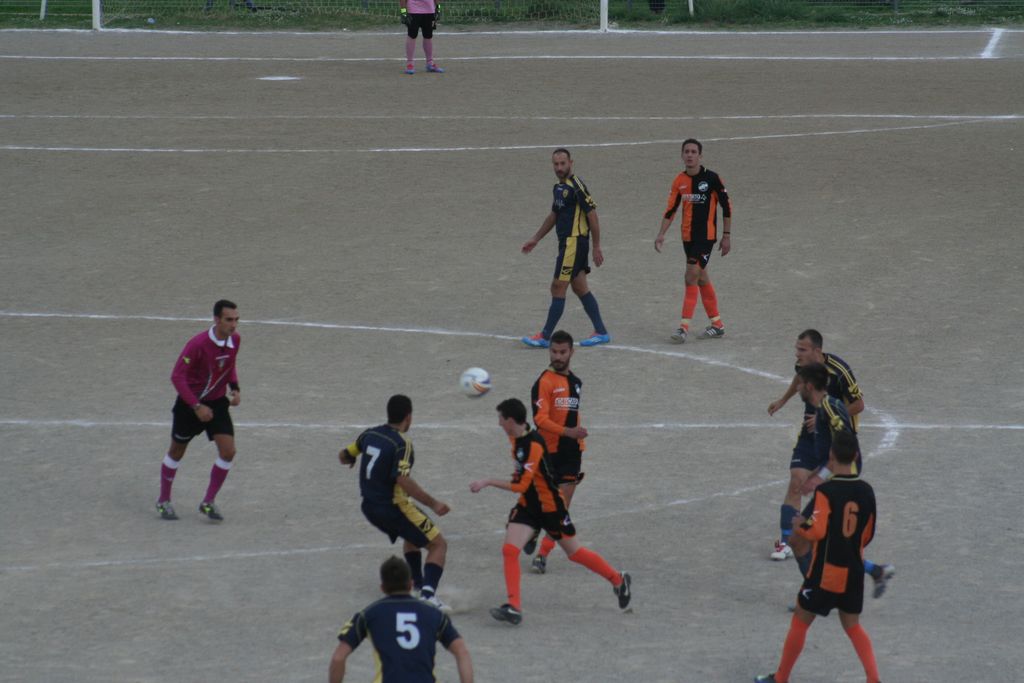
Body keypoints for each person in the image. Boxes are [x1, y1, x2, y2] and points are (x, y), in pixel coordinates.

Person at [469, 398, 631, 625]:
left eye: (500, 419)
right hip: (529, 505)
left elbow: (520, 486)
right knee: (509, 550)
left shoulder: (533, 445)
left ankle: (618, 580)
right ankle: (514, 607)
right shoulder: (516, 436)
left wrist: (487, 481)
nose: (498, 424)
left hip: (550, 507)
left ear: (511, 420)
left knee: (575, 553)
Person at [753, 431, 882, 683]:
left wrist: (801, 525)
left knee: (801, 620)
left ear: (831, 456)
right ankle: (873, 679)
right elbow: (868, 534)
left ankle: (780, 678)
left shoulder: (826, 491)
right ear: (856, 456)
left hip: (826, 572)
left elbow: (817, 530)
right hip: (854, 572)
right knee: (853, 626)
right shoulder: (867, 491)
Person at [339, 395, 452, 610]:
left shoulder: (369, 434)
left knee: (411, 535)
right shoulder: (402, 444)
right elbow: (403, 479)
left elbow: (343, 456)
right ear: (408, 417)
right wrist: (434, 503)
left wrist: (351, 458)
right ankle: (428, 596)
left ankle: (417, 585)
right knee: (438, 544)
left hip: (369, 507)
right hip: (394, 507)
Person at [792, 363, 894, 598]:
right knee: (827, 541)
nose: (797, 388)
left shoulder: (829, 408)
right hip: (834, 481)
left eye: (800, 384)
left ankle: (814, 593)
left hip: (839, 484)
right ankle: (876, 571)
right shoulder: (826, 408)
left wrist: (819, 478)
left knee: (800, 538)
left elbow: (845, 446)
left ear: (809, 386)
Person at [766, 329, 863, 562]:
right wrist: (783, 399)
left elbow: (859, 404)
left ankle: (835, 541)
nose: (797, 353)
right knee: (796, 481)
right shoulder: (802, 366)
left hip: (835, 440)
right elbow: (799, 378)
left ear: (817, 351)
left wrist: (824, 416)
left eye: (802, 349)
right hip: (810, 436)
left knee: (828, 493)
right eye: (797, 348)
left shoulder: (839, 371)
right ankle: (787, 541)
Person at [155, 299, 241, 522]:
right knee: (176, 451)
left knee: (228, 452)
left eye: (236, 320)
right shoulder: (197, 344)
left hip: (217, 403)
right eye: (229, 320)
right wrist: (196, 406)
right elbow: (177, 376)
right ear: (216, 320)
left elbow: (230, 365)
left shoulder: (235, 340)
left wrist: (235, 387)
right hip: (189, 405)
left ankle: (208, 502)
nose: (234, 325)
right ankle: (163, 500)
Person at [329, 555, 473, 683]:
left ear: (383, 588)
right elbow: (462, 652)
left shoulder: (368, 615)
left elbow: (338, 658)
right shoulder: (434, 613)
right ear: (411, 585)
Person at [521, 148, 611, 348]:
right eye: (556, 164)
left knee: (557, 287)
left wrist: (596, 246)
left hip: (574, 243)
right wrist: (536, 238)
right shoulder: (559, 187)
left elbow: (592, 216)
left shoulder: (577, 186)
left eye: (563, 163)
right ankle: (601, 332)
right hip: (568, 244)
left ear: (571, 162)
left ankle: (544, 336)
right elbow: (554, 215)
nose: (559, 168)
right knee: (579, 287)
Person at [654, 138, 732, 343]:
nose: (689, 155)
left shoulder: (712, 178)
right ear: (682, 155)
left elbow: (727, 207)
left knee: (690, 276)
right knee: (701, 278)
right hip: (687, 238)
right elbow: (671, 209)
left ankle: (683, 328)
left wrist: (726, 236)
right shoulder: (679, 181)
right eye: (686, 151)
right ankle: (717, 325)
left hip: (705, 238)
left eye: (693, 152)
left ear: (700, 156)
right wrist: (661, 234)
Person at [523, 329, 587, 574]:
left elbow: (570, 414)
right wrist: (568, 431)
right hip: (547, 453)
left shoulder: (576, 383)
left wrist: (576, 436)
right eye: (554, 351)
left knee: (561, 508)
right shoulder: (543, 382)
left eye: (562, 352)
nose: (558, 357)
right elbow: (540, 419)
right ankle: (533, 529)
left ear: (572, 352)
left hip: (572, 452)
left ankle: (542, 555)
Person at [400, 0, 444, 75]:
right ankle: (410, 64)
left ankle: (430, 63)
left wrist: (438, 7)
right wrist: (403, 11)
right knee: (412, 35)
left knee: (428, 36)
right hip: (413, 10)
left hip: (429, 10)